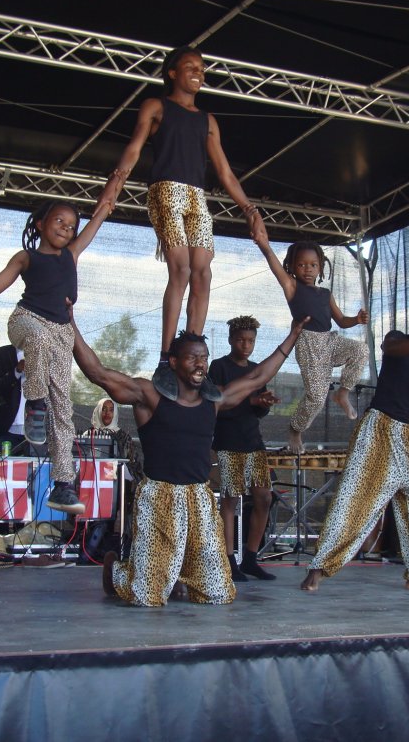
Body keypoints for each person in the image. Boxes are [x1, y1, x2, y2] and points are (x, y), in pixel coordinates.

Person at [69, 307, 306, 607]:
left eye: (204, 358)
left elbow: (258, 376)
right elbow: (98, 373)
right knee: (146, 598)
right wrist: (69, 322)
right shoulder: (148, 395)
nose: (200, 364)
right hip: (159, 497)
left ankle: (176, 576)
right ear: (174, 362)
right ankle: (118, 573)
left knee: (219, 593)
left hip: (199, 497)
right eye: (193, 358)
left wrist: (293, 335)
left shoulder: (214, 400)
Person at [96, 46, 268, 402]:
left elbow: (224, 171)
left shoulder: (207, 120)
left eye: (202, 68)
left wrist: (250, 210)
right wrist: (115, 184)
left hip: (196, 196)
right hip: (165, 191)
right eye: (190, 67)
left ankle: (193, 351)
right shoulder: (156, 106)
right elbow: (134, 148)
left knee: (203, 272)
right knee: (182, 268)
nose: (198, 73)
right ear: (172, 72)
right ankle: (165, 358)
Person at [0, 198, 109, 514]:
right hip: (26, 320)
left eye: (71, 226)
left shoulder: (71, 254)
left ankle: (63, 485)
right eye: (59, 221)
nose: (66, 229)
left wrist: (118, 181)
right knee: (38, 339)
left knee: (63, 410)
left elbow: (102, 211)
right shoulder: (26, 257)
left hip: (61, 332)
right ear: (40, 223)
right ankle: (35, 404)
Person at [300, 296, 409, 593]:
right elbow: (391, 349)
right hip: (379, 429)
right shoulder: (398, 339)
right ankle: (319, 568)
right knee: (355, 500)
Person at [253, 238, 369, 453]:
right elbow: (274, 266)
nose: (308, 269)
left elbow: (342, 320)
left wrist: (356, 319)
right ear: (292, 267)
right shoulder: (292, 287)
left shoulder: (325, 294)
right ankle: (295, 429)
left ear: (321, 268)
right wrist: (264, 246)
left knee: (361, 350)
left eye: (313, 265)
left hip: (330, 341)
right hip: (309, 346)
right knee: (316, 397)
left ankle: (342, 393)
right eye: (301, 264)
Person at [208, 315, 279, 582]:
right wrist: (252, 401)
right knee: (231, 499)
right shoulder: (219, 367)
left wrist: (264, 404)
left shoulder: (257, 369)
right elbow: (217, 407)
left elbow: (257, 412)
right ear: (230, 340)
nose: (246, 345)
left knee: (264, 497)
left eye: (250, 340)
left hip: (253, 442)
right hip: (228, 442)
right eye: (240, 340)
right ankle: (229, 561)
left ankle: (250, 558)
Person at [0, 344, 26, 453]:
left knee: (37, 462)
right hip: (8, 428)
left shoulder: (44, 353)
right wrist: (17, 371)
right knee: (4, 462)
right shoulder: (1, 353)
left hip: (36, 429)